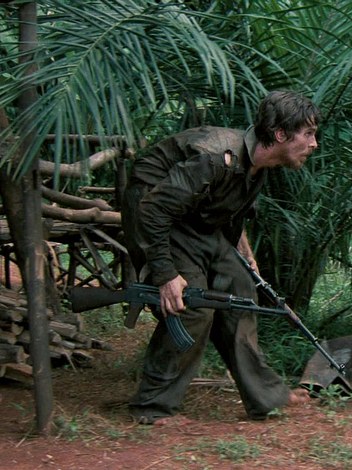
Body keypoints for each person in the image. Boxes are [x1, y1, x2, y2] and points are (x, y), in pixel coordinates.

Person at [121, 90, 321, 424]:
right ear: (281, 135)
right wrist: (166, 274)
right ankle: (152, 406)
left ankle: (266, 396)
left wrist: (245, 256)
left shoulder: (258, 166)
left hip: (193, 219)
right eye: (309, 134)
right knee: (192, 303)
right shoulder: (214, 158)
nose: (314, 143)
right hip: (153, 211)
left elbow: (230, 212)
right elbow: (154, 209)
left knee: (240, 288)